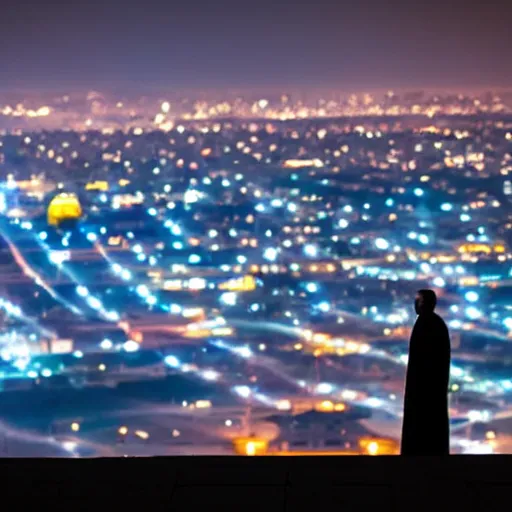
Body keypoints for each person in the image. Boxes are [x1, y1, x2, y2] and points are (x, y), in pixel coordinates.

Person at [401, 289, 451, 455]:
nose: (415, 305)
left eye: (418, 301)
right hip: (428, 388)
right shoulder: (433, 323)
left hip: (425, 389)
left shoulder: (427, 324)